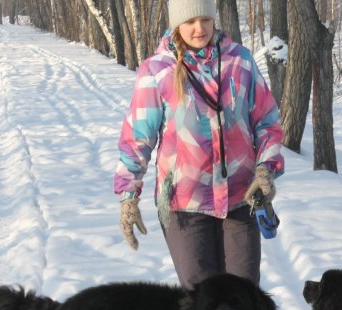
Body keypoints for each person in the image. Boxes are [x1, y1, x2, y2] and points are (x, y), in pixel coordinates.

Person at [113, 0, 284, 289]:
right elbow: (137, 139)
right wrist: (128, 196)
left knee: (243, 298)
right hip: (184, 205)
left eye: (205, 19)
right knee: (202, 302)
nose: (199, 28)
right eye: (190, 21)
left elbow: (267, 122)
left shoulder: (239, 61)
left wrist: (266, 168)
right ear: (177, 23)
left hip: (241, 199)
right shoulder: (156, 71)